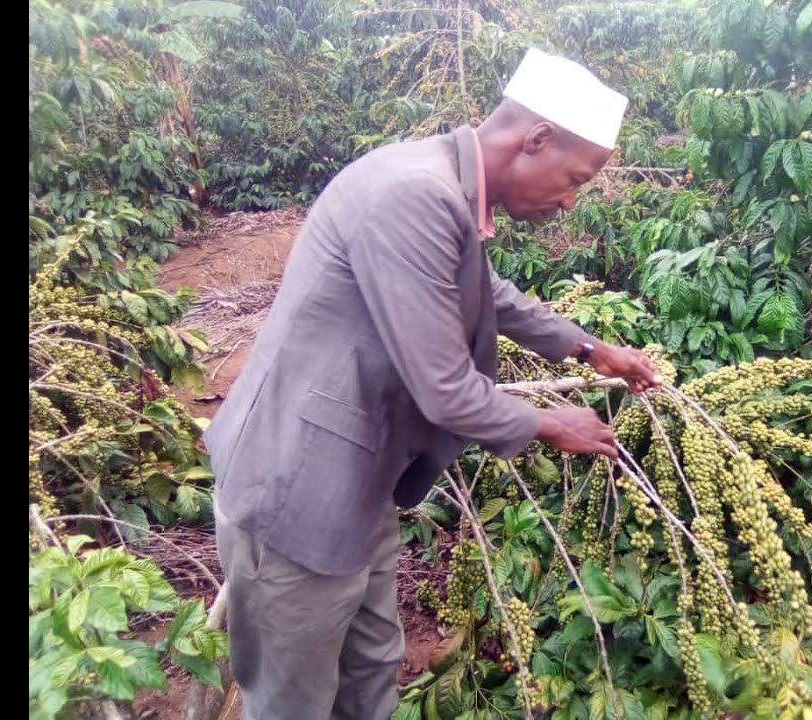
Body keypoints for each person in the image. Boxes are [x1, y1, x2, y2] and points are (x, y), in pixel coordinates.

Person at [204, 47, 662, 720]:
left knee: (371, 670)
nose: (568, 201)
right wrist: (553, 424)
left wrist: (591, 348)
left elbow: (489, 293)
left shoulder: (442, 183)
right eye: (574, 179)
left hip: (360, 479)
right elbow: (443, 387)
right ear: (535, 139)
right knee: (292, 700)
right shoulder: (413, 195)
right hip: (297, 490)